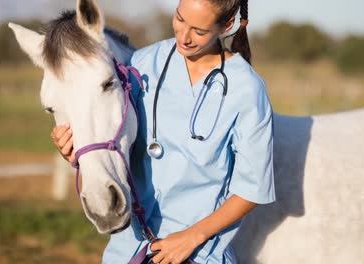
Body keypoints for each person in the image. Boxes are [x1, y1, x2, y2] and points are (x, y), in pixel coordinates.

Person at [51, 0, 275, 263]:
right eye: (180, 19)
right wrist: (75, 151)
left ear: (226, 26)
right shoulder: (141, 65)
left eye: (199, 31)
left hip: (197, 253)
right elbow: (112, 139)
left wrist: (191, 237)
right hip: (129, 250)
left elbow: (252, 189)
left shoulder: (246, 88)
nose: (184, 36)